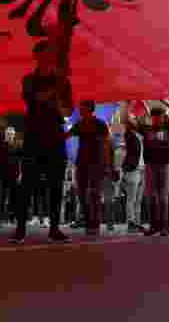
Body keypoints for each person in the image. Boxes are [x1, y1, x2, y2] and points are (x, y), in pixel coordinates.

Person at [13, 16, 75, 244]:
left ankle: (55, 228)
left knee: (56, 184)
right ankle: (20, 229)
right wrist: (56, 85)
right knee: (26, 183)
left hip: (55, 136)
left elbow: (67, 112)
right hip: (33, 135)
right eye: (46, 53)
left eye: (52, 52)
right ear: (37, 56)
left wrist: (60, 91)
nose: (49, 56)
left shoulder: (63, 82)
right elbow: (36, 97)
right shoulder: (28, 79)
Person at [127, 100, 169, 237]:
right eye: (155, 117)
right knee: (152, 196)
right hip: (150, 165)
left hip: (164, 165)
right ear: (151, 118)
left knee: (163, 197)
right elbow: (125, 119)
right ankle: (154, 227)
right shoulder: (146, 128)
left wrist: (165, 100)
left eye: (160, 117)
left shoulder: (167, 126)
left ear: (164, 117)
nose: (158, 119)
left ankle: (163, 227)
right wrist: (129, 104)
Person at [66, 100, 110, 236]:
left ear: (89, 109)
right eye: (80, 108)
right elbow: (66, 135)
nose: (80, 110)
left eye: (82, 108)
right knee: (81, 194)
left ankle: (94, 224)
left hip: (96, 163)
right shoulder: (79, 124)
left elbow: (106, 145)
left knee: (95, 194)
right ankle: (88, 221)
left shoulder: (100, 124)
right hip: (81, 163)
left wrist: (107, 165)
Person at [121, 109, 145, 233]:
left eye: (135, 118)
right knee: (131, 198)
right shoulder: (128, 134)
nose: (134, 120)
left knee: (139, 199)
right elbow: (124, 118)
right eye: (132, 119)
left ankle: (137, 222)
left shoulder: (140, 134)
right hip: (133, 170)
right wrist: (128, 105)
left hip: (143, 170)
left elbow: (146, 118)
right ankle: (131, 222)